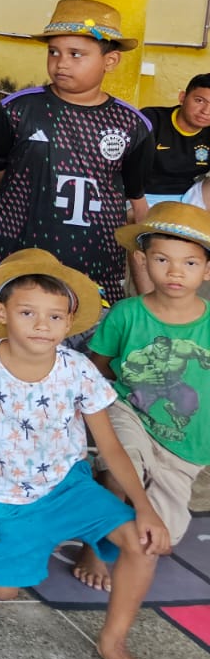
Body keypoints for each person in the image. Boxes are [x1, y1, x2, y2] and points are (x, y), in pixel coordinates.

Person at [0, 249, 166, 659]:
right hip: (9, 498)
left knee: (143, 544)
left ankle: (113, 643)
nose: (41, 325)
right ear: (2, 313)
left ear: (69, 323)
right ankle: (31, 538)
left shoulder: (77, 368)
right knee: (2, 591)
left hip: (70, 486)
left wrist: (145, 508)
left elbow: (110, 445)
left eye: (54, 316)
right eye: (27, 312)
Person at [0, 0, 153, 306]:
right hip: (21, 252)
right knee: (18, 321)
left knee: (91, 329)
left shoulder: (132, 125)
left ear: (110, 61)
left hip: (96, 261)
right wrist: (29, 190)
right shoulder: (16, 110)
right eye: (54, 52)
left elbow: (134, 193)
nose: (61, 63)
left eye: (76, 54)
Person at [78, 201, 210, 594]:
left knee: (161, 540)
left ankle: (95, 493)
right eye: (162, 259)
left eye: (189, 263)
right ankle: (93, 547)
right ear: (142, 260)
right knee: (123, 467)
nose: (175, 272)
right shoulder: (126, 313)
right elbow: (97, 368)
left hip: (185, 445)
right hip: (130, 412)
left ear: (207, 270)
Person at [140, 75, 210, 205]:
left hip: (190, 196)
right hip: (143, 195)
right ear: (182, 97)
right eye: (199, 101)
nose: (206, 111)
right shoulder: (151, 119)